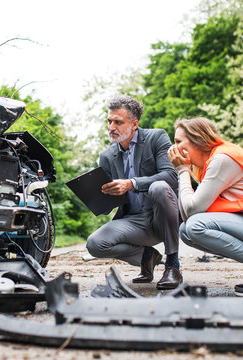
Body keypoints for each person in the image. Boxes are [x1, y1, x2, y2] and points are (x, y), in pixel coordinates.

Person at [86, 94, 183, 290]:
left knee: (159, 187)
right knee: (95, 244)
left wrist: (132, 183)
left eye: (118, 122)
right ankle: (148, 256)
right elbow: (107, 207)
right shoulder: (106, 156)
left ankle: (173, 265)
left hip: (163, 215)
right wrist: (94, 195)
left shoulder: (156, 137)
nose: (111, 127)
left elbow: (172, 176)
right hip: (134, 221)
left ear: (134, 124)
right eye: (109, 121)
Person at [167, 117, 243, 295]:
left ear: (198, 141)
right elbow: (187, 214)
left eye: (178, 141)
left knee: (195, 226)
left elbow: (193, 210)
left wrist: (183, 170)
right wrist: (185, 170)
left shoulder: (222, 159)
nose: (173, 148)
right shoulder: (206, 165)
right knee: (186, 230)